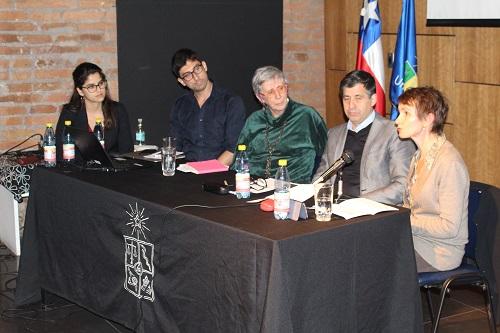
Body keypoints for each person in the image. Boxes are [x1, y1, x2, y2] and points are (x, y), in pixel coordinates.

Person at [395, 87, 469, 272]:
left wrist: (406, 222)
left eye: (405, 113)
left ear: (428, 119)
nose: (397, 120)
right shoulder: (418, 156)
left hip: (438, 252)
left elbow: (449, 227)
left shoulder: (449, 163)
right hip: (414, 240)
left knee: (375, 263)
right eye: (399, 112)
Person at [313, 70, 415, 204]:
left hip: (372, 214)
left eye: (358, 98)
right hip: (332, 210)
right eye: (346, 98)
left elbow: (403, 185)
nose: (351, 105)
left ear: (373, 100)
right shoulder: (333, 134)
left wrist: (360, 202)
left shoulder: (394, 133)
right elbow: (321, 178)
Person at [236, 66, 327, 183]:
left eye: (281, 88)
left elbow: (328, 156)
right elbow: (239, 160)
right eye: (270, 92)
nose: (278, 95)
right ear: (260, 97)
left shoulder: (307, 116)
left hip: (292, 186)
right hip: (255, 185)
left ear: (287, 88)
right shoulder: (254, 120)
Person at [169, 48, 246, 165]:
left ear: (204, 66)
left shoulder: (231, 102)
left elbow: (233, 150)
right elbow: (175, 147)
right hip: (187, 172)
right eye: (187, 75)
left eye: (197, 69)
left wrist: (207, 171)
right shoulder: (180, 105)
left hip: (220, 175)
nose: (195, 77)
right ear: (182, 81)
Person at [55, 62, 133, 161]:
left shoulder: (118, 110)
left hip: (113, 171)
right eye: (91, 86)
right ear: (80, 91)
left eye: (100, 83)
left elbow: (127, 151)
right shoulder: (70, 112)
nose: (99, 89)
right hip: (79, 172)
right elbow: (61, 151)